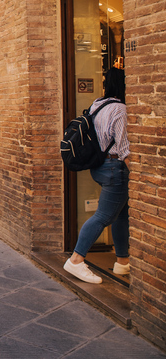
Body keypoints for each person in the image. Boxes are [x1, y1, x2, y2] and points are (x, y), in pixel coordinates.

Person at [64, 67, 130, 284]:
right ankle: (76, 260)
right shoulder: (120, 109)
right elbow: (124, 148)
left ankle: (122, 261)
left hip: (100, 167)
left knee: (121, 214)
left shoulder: (97, 104)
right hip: (114, 168)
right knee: (104, 216)